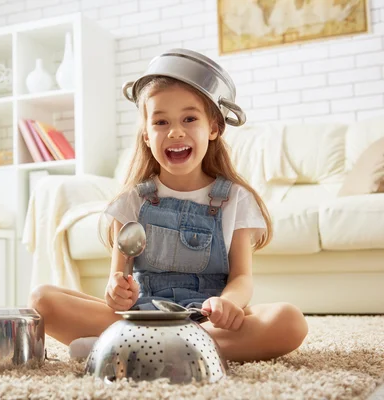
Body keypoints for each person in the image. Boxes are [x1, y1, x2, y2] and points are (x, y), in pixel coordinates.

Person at [28, 49, 308, 363]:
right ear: (146, 135)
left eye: (190, 118)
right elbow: (117, 280)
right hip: (143, 315)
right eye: (161, 121)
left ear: (213, 128)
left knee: (290, 321)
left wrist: (229, 302)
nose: (175, 131)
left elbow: (242, 278)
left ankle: (122, 347)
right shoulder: (132, 201)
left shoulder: (235, 199)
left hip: (207, 321)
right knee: (42, 299)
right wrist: (116, 291)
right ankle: (179, 350)